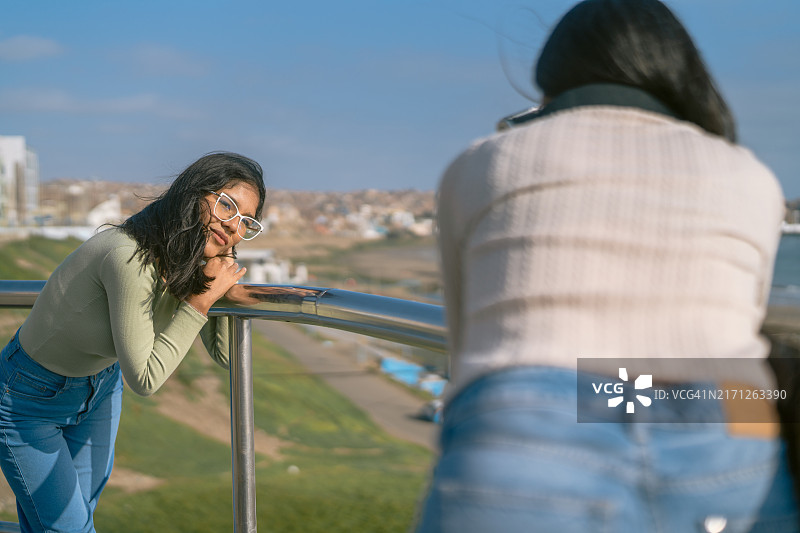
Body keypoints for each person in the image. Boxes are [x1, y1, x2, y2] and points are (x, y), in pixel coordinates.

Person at [414, 1, 798, 531]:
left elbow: (468, 336)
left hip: (532, 415)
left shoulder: (484, 161)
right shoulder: (747, 174)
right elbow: (743, 316)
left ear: (551, 78)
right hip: (728, 412)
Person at [0, 151, 266, 533]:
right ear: (193, 194)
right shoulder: (128, 255)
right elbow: (145, 378)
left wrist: (220, 280)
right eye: (226, 205)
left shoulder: (184, 259)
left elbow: (226, 355)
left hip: (99, 388)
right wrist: (199, 301)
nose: (233, 225)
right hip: (27, 399)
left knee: (67, 524)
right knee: (68, 529)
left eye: (246, 222)